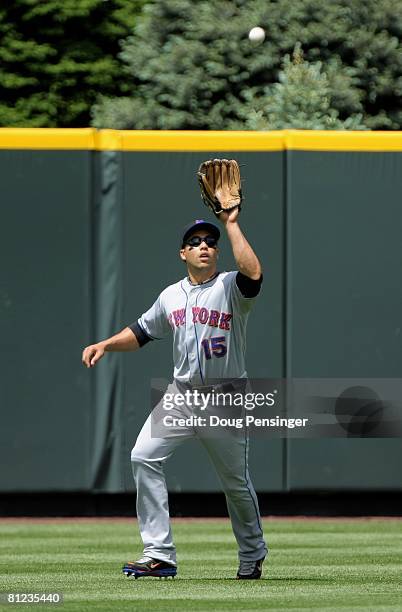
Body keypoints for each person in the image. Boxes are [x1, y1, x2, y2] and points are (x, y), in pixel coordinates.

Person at [82, 208, 268, 579]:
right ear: (183, 253)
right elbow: (141, 332)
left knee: (235, 483)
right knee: (143, 456)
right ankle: (159, 554)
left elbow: (254, 275)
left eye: (210, 243)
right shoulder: (171, 296)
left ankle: (252, 552)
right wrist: (106, 343)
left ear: (218, 253)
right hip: (181, 396)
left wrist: (231, 225)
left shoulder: (231, 286)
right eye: (195, 242)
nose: (204, 246)